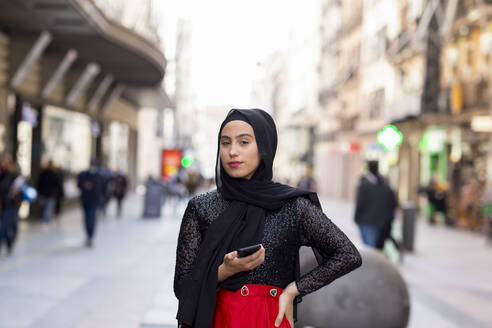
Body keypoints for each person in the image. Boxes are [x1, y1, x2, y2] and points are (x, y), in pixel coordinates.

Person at [174, 109, 361, 328]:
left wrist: (293, 290)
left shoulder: (293, 206)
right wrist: (225, 271)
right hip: (218, 318)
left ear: (264, 147)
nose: (232, 151)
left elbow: (347, 255)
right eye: (225, 143)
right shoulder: (201, 207)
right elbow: (182, 286)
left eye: (244, 142)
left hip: (269, 318)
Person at [354, 160, 397, 250]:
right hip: (379, 220)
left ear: (368, 168)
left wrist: (356, 217)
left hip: (366, 220)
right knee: (373, 245)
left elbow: (360, 203)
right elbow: (392, 202)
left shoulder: (364, 183)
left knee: (369, 247)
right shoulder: (384, 183)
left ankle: (372, 263)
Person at [77, 158, 104, 247]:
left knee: (92, 218)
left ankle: (91, 236)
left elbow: (103, 189)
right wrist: (84, 185)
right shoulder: (83, 175)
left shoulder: (99, 176)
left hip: (95, 201)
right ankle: (88, 235)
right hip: (85, 200)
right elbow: (79, 184)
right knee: (86, 218)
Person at [0, 155, 23, 255]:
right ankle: (9, 243)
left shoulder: (15, 174)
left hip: (11, 204)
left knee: (5, 226)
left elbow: (21, 186)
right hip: (2, 204)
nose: (3, 164)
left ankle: (6, 243)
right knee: (6, 226)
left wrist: (15, 192)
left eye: (5, 162)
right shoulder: (2, 174)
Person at [37, 161, 63, 225]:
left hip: (46, 193)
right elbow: (58, 184)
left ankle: (46, 220)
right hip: (50, 193)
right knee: (48, 207)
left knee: (47, 206)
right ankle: (46, 220)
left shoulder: (44, 173)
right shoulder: (53, 174)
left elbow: (39, 183)